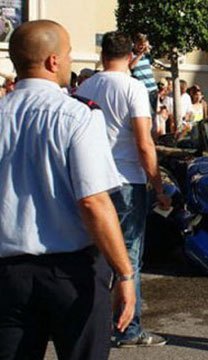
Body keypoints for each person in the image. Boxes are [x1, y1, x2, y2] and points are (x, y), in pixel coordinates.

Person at [0, 20, 135, 359]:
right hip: (70, 272)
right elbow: (93, 202)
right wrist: (125, 273)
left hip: (7, 273)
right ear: (53, 61)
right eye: (69, 52)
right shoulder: (77, 115)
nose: (72, 59)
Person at [76, 31, 171, 348]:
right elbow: (144, 144)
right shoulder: (134, 88)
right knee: (128, 259)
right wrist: (158, 185)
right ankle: (128, 329)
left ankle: (92, 324)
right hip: (127, 180)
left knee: (95, 255)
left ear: (103, 55)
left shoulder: (85, 87)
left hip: (91, 180)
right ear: (130, 55)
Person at [129, 33, 158, 115]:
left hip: (153, 90)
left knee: (153, 114)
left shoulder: (147, 55)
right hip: (142, 90)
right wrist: (140, 54)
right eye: (139, 44)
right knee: (144, 113)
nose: (141, 46)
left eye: (143, 44)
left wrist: (147, 49)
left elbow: (153, 62)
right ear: (135, 44)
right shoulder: (131, 54)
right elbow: (131, 66)